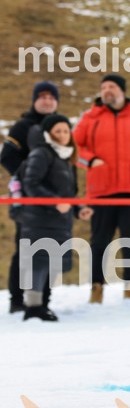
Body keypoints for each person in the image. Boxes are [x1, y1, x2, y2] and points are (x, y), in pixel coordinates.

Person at [74, 74, 130, 303]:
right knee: (99, 242)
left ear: (122, 90)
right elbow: (73, 146)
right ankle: (96, 290)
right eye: (103, 87)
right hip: (100, 191)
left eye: (112, 86)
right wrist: (91, 160)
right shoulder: (90, 117)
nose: (107, 90)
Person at [18, 115, 93, 321]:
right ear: (48, 134)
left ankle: (44, 305)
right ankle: (33, 307)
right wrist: (54, 202)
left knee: (51, 262)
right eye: (57, 131)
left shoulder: (67, 159)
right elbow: (31, 183)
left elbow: (69, 194)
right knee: (38, 262)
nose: (62, 135)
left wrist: (78, 210)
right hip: (39, 220)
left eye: (66, 131)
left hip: (59, 222)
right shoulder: (41, 154)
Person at [1, 81, 59, 314]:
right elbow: (7, 156)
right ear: (35, 100)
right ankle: (17, 300)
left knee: (50, 248)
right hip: (27, 197)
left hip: (53, 197)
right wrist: (30, 176)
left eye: (51, 97)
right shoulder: (23, 126)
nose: (47, 101)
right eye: (42, 97)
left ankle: (43, 299)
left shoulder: (59, 126)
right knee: (24, 247)